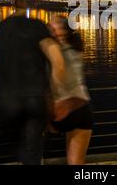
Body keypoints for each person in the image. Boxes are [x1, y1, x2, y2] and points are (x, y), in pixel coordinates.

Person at [0, 0, 65, 165]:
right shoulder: (37, 27)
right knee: (32, 148)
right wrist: (55, 94)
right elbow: (57, 59)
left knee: (14, 147)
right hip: (35, 98)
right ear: (25, 2)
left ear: (11, 3)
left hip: (9, 101)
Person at [48, 15, 93, 165]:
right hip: (83, 107)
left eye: (52, 27)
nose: (48, 29)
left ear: (61, 32)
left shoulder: (53, 51)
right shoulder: (77, 47)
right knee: (76, 162)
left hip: (63, 108)